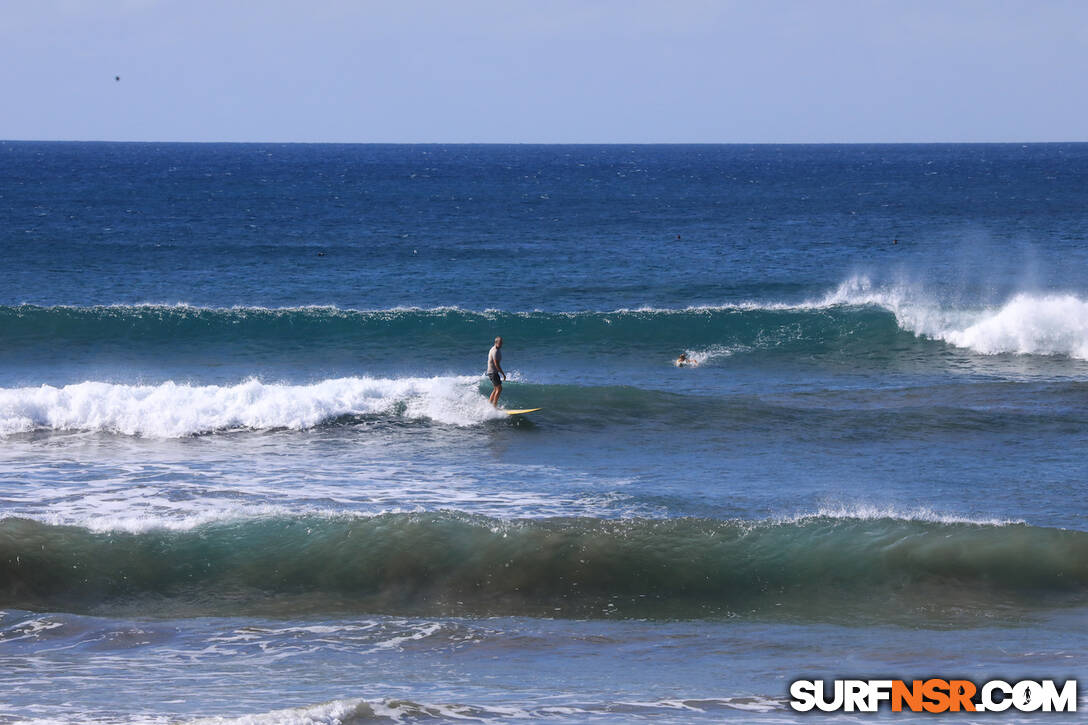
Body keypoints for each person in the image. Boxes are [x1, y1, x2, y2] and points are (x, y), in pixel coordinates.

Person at [487, 336, 506, 406]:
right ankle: (494, 406)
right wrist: (503, 374)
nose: (501, 344)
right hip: (493, 372)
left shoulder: (493, 348)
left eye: (502, 342)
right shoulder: (495, 351)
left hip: (491, 372)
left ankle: (490, 404)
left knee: (496, 389)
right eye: (500, 343)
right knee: (499, 389)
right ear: (496, 343)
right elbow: (496, 364)